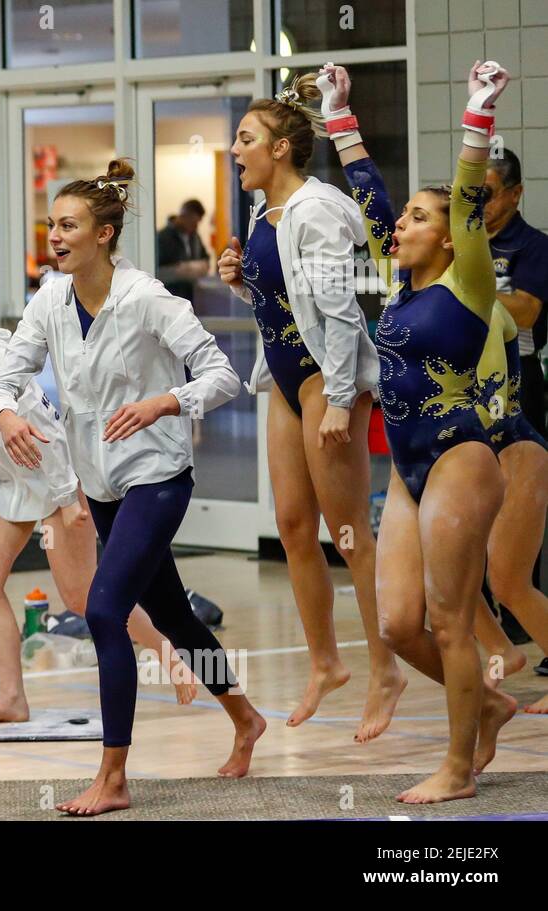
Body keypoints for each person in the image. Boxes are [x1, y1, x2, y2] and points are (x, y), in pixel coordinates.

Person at [0, 159, 266, 816]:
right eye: (51, 224)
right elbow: (7, 379)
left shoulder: (146, 299)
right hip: (103, 484)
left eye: (69, 225)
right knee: (171, 613)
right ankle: (246, 715)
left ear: (105, 233)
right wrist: (5, 413)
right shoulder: (48, 299)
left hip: (158, 476)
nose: (55, 236)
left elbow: (222, 375)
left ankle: (112, 777)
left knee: (105, 611)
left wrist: (166, 402)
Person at [0, 231, 199, 724]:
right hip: (8, 478)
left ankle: (167, 654)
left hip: (54, 475)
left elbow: (43, 421)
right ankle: (12, 698)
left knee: (82, 599)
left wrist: (65, 499)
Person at [335, 61, 519, 803]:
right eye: (405, 218)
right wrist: (340, 116)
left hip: (462, 457)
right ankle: (492, 703)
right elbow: (371, 199)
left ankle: (456, 765)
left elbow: (469, 201)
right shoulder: (403, 279)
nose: (400, 226)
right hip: (406, 466)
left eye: (419, 219)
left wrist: (477, 115)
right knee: (399, 624)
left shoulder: (466, 279)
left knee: (448, 617)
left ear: (449, 240)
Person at [216, 71, 404, 741]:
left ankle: (386, 667)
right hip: (286, 378)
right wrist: (241, 285)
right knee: (294, 525)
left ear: (283, 149)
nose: (234, 150)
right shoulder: (262, 209)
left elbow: (337, 312)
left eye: (245, 139)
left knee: (350, 532)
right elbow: (282, 301)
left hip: (329, 379)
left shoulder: (317, 209)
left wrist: (341, 397)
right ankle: (326, 662)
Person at [484, 148, 548, 647]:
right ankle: (491, 628)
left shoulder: (532, 246)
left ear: (515, 193)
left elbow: (525, 311)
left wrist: (464, 289)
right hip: (465, 378)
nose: (478, 204)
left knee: (522, 503)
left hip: (518, 376)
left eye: (486, 194)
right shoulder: (460, 240)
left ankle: (531, 618)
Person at [156, 199, 211, 301]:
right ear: (184, 216)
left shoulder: (195, 237)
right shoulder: (162, 238)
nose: (196, 227)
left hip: (191, 297)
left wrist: (201, 267)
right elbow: (157, 272)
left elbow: (205, 259)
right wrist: (182, 270)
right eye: (194, 222)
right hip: (170, 297)